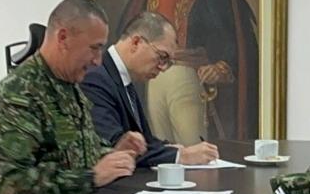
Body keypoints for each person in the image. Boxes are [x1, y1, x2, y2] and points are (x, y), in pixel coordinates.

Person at [0, 0, 143, 194]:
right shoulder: (17, 95)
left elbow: (74, 154)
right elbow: (10, 184)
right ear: (63, 38)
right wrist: (91, 177)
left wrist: (113, 153)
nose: (97, 60)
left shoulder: (68, 86)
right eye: (94, 48)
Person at [117, 0, 259, 146]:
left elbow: (231, 37)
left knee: (194, 149)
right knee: (160, 150)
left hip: (187, 76)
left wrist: (220, 66)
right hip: (153, 80)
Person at [80, 11, 219, 167]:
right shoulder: (96, 78)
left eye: (168, 62)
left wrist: (171, 149)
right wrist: (181, 156)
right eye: (162, 56)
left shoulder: (125, 78)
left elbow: (144, 141)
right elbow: (114, 147)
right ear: (136, 43)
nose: (163, 68)